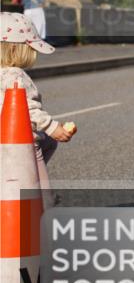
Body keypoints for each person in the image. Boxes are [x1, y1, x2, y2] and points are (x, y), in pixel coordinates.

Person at [0, 12, 77, 205]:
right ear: (16, 50)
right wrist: (52, 126)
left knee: (49, 142)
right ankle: (45, 209)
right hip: (22, 143)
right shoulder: (15, 75)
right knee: (42, 191)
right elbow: (27, 108)